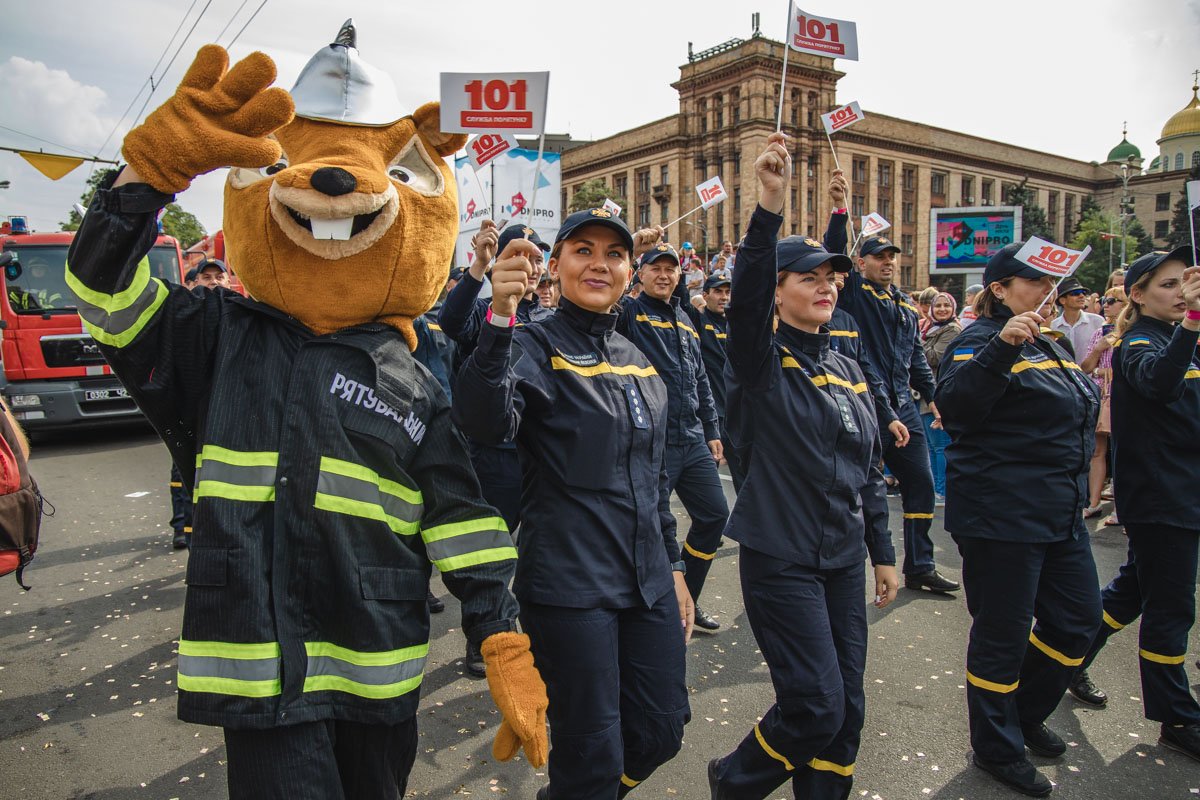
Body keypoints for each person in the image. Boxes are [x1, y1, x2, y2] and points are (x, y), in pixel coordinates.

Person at [453, 208, 691, 800]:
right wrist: (498, 321)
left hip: (648, 581)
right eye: (582, 250)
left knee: (663, 730)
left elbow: (652, 477)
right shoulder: (532, 342)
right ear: (553, 268)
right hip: (569, 585)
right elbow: (483, 422)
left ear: (627, 272)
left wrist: (676, 567)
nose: (599, 263)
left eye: (613, 254)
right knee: (591, 750)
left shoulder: (637, 356)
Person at [708, 132, 898, 800]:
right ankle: (733, 782)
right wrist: (770, 202)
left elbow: (870, 467)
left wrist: (882, 549)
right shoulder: (759, 361)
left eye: (831, 277)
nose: (826, 287)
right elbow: (748, 291)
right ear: (779, 291)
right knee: (815, 704)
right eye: (808, 278)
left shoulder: (846, 365)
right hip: (781, 559)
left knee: (846, 713)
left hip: (844, 559)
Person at [935, 242, 1101, 797]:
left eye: (1051, 283)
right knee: (1002, 636)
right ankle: (996, 744)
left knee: (1078, 619)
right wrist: (1001, 349)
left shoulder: (1049, 342)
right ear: (999, 290)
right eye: (1032, 282)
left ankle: (1024, 712)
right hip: (1001, 514)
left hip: (1058, 511)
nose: (1046, 292)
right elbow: (956, 408)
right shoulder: (981, 340)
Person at [1068, 247, 1200, 760]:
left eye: (1184, 284)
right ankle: (1176, 715)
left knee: (1133, 593)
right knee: (1171, 609)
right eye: (1168, 285)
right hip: (1162, 497)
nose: (1180, 293)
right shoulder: (1139, 342)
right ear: (1138, 295)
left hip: (1185, 492)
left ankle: (1068, 657)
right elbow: (1162, 385)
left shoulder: (1184, 339)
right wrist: (1191, 322)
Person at [826, 173, 958, 595]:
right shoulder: (855, 295)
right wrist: (839, 210)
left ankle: (919, 564)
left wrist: (935, 397)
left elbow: (914, 356)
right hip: (862, 403)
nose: (887, 262)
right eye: (878, 256)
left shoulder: (902, 303)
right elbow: (832, 254)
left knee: (920, 484)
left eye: (891, 256)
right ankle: (833, 571)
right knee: (856, 491)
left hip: (903, 406)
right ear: (861, 264)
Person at [438, 220, 556, 675]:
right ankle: (483, 634)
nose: (527, 263)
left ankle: (530, 630)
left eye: (534, 255)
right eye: (518, 253)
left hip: (539, 457)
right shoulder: (483, 309)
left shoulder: (547, 316)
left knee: (537, 550)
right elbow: (450, 322)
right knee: (490, 551)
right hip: (494, 454)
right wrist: (478, 269)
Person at [620, 241, 729, 633]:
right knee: (646, 527)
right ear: (641, 273)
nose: (664, 275)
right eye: (656, 268)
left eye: (671, 269)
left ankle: (689, 598)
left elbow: (700, 378)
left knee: (715, 515)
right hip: (653, 440)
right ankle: (644, 608)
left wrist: (712, 429)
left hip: (693, 437)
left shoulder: (686, 318)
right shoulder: (629, 313)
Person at [1078, 287, 1126, 525]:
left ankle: (1122, 508)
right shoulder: (1100, 332)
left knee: (1123, 452)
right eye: (1105, 300)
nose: (1106, 304)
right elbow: (1085, 367)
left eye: (1113, 301)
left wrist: (1110, 370)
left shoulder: (1132, 332)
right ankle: (1094, 502)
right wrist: (1099, 351)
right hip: (1100, 395)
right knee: (1097, 451)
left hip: (1123, 397)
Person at [921, 292, 961, 505]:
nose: (942, 309)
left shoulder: (952, 330)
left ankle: (943, 490)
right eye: (938, 306)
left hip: (940, 395)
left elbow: (933, 357)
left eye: (947, 305)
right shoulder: (929, 329)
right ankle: (937, 489)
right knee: (931, 445)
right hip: (925, 396)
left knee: (941, 446)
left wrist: (917, 347)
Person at [1050, 276, 1103, 360]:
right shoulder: (1053, 327)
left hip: (1090, 373)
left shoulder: (1098, 321)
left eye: (1083, 293)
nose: (1081, 296)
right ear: (1062, 300)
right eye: (1076, 293)